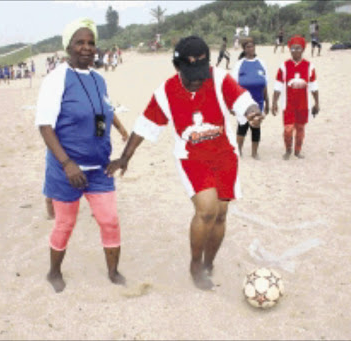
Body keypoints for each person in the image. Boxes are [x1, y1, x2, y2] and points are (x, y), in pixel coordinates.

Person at [105, 36, 264, 290]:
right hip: (192, 158)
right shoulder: (166, 91)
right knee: (206, 210)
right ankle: (194, 263)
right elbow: (144, 126)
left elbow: (243, 100)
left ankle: (209, 262)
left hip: (225, 155)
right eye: (191, 75)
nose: (197, 80)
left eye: (201, 74)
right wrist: (125, 158)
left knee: (221, 215)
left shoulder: (219, 78)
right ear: (177, 67)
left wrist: (252, 113)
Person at [35, 18, 126, 293]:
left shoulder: (99, 79)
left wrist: (113, 142)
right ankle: (54, 272)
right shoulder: (56, 78)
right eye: (80, 42)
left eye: (91, 43)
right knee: (65, 223)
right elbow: (45, 125)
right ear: (68, 46)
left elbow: (103, 115)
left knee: (109, 219)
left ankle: (113, 271)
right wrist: (67, 163)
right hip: (67, 170)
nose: (87, 48)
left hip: (99, 169)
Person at [272, 35, 320, 160]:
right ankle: (288, 149)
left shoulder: (310, 66)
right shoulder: (284, 66)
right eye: (293, 48)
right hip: (288, 104)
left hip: (303, 104)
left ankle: (297, 150)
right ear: (290, 50)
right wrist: (274, 103)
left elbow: (314, 87)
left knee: (300, 128)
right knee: (288, 129)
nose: (296, 51)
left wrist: (317, 103)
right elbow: (277, 86)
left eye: (298, 48)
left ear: (303, 49)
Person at [231, 38, 270, 159]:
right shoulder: (239, 64)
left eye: (252, 46)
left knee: (256, 127)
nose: (250, 49)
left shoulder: (261, 63)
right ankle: (239, 150)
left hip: (258, 101)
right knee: (242, 127)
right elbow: (232, 86)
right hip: (243, 103)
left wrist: (267, 102)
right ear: (244, 49)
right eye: (248, 47)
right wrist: (232, 105)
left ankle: (254, 153)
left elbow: (264, 84)